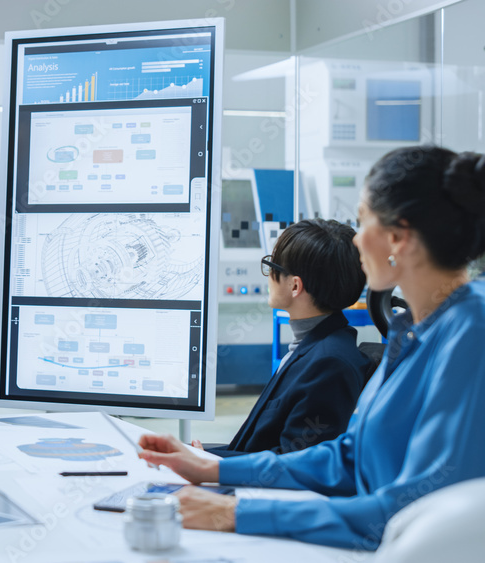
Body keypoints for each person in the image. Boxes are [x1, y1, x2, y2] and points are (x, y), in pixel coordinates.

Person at [136, 146, 485, 549]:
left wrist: (234, 512)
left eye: (361, 221)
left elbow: (413, 511)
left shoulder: (472, 333)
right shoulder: (415, 329)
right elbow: (347, 459)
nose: (355, 243)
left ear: (397, 238)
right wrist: (212, 467)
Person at [199, 219, 368, 457]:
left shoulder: (329, 364)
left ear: (295, 286)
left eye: (272, 267)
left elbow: (295, 463)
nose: (268, 276)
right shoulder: (312, 347)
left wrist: (209, 463)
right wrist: (203, 456)